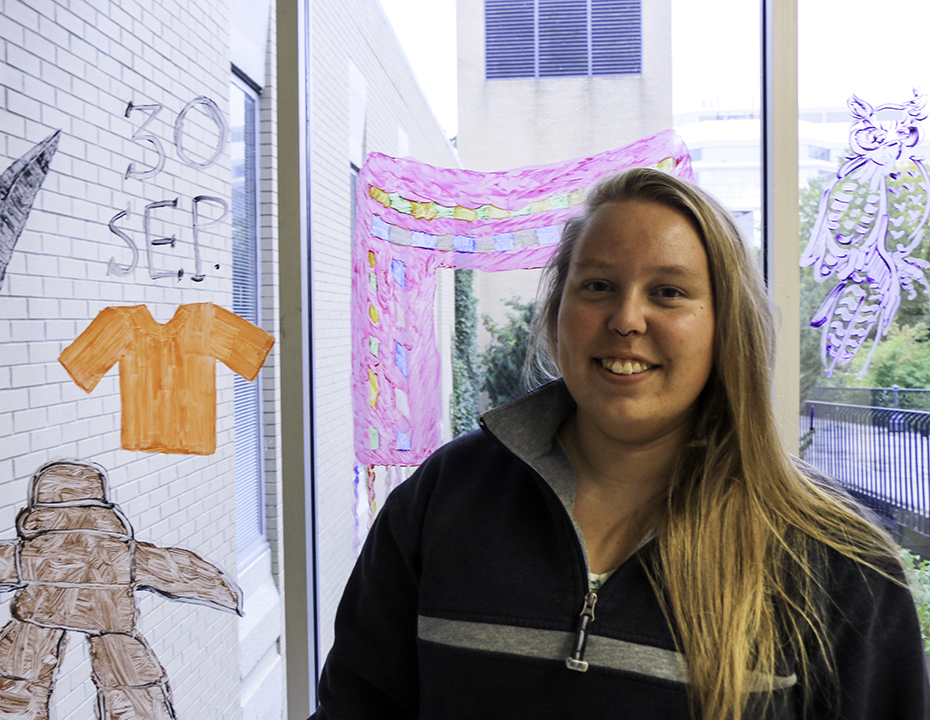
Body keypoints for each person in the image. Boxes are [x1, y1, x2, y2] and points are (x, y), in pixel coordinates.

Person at [311, 168, 929, 719]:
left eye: (668, 292)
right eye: (598, 285)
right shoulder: (444, 497)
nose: (626, 319)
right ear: (559, 309)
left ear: (726, 326)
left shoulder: (836, 558)